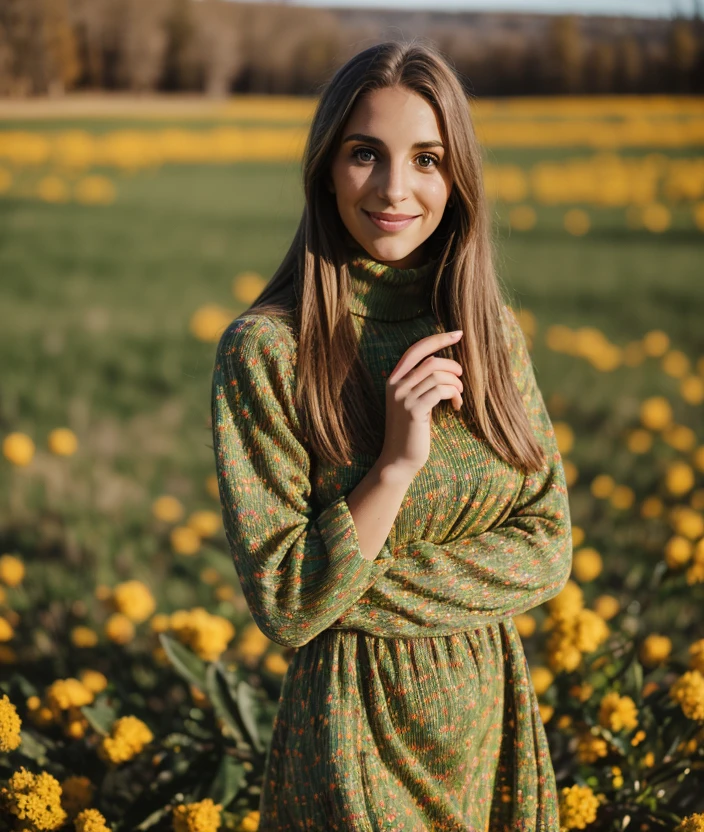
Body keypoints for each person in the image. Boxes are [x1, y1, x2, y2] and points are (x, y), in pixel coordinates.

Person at [211, 39, 572, 832]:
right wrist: (395, 467)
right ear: (325, 169)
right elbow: (291, 604)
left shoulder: (488, 333)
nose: (394, 189)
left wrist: (353, 589)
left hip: (492, 729)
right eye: (365, 154)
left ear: (458, 178)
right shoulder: (269, 352)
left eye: (428, 160)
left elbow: (548, 546)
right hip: (350, 732)